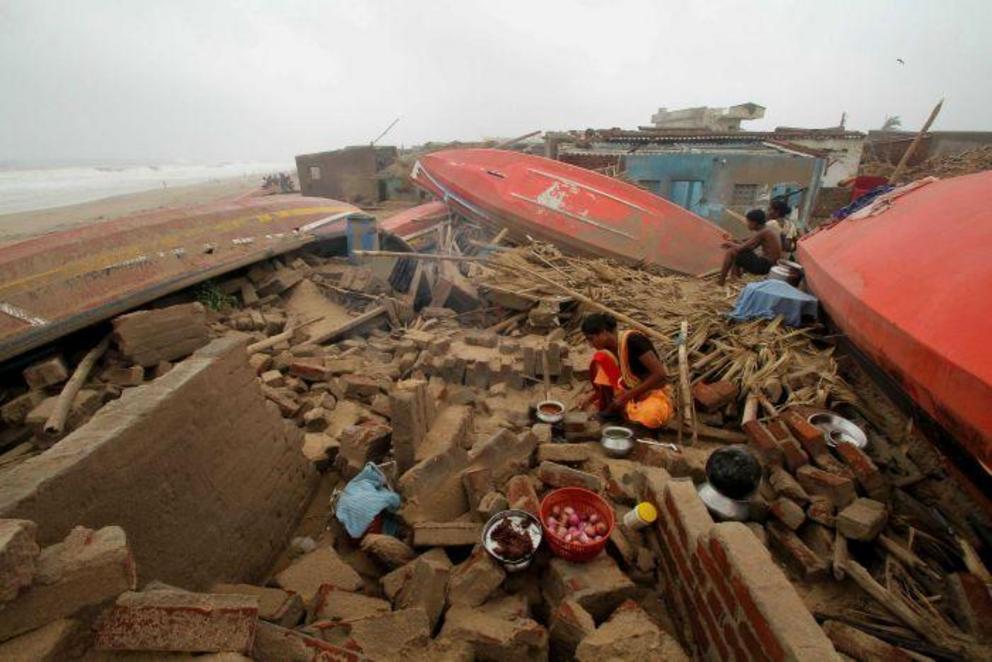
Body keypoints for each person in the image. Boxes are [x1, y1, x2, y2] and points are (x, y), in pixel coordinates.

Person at [580, 313, 674, 430]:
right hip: (628, 390)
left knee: (650, 415)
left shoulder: (634, 341)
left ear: (603, 332)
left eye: (591, 339)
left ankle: (626, 416)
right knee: (601, 359)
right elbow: (614, 379)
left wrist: (627, 396)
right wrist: (590, 399)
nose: (590, 344)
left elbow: (660, 375)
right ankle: (612, 412)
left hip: (650, 392)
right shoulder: (609, 349)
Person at [718, 209, 781, 285]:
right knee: (738, 252)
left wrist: (729, 244)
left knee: (731, 252)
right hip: (769, 265)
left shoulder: (763, 232)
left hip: (765, 265)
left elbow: (741, 247)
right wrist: (733, 240)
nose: (747, 224)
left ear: (754, 223)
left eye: (748, 222)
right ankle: (736, 279)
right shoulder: (766, 230)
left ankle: (721, 282)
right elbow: (748, 246)